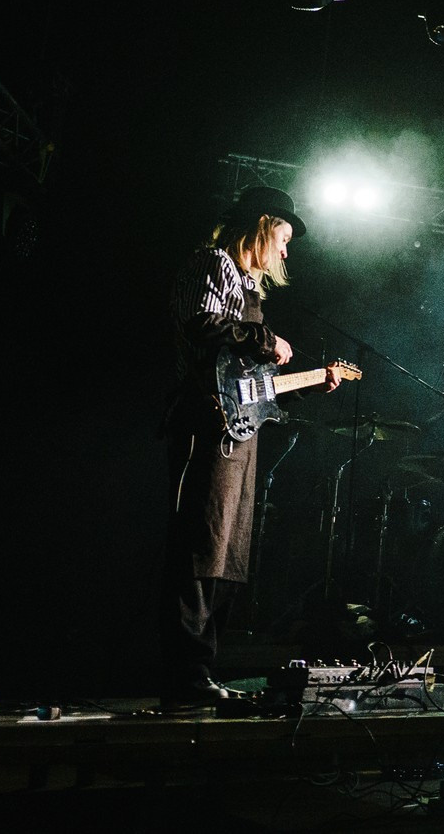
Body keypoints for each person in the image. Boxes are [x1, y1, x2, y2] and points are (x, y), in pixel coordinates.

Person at [160, 185, 331, 710]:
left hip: (239, 430)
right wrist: (267, 343)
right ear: (261, 226)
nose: (287, 251)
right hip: (206, 426)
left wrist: (303, 379)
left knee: (227, 553)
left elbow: (246, 383)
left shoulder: (252, 288)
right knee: (201, 547)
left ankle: (202, 672)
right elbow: (202, 322)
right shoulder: (211, 263)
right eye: (283, 236)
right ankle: (185, 677)